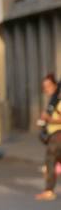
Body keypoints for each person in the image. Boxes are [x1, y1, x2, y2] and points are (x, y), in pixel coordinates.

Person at [35, 71, 61, 200]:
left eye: (49, 86)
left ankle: (49, 190)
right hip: (53, 136)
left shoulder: (58, 102)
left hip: (58, 136)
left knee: (50, 162)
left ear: (55, 86)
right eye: (44, 87)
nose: (46, 89)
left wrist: (49, 119)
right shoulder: (52, 102)